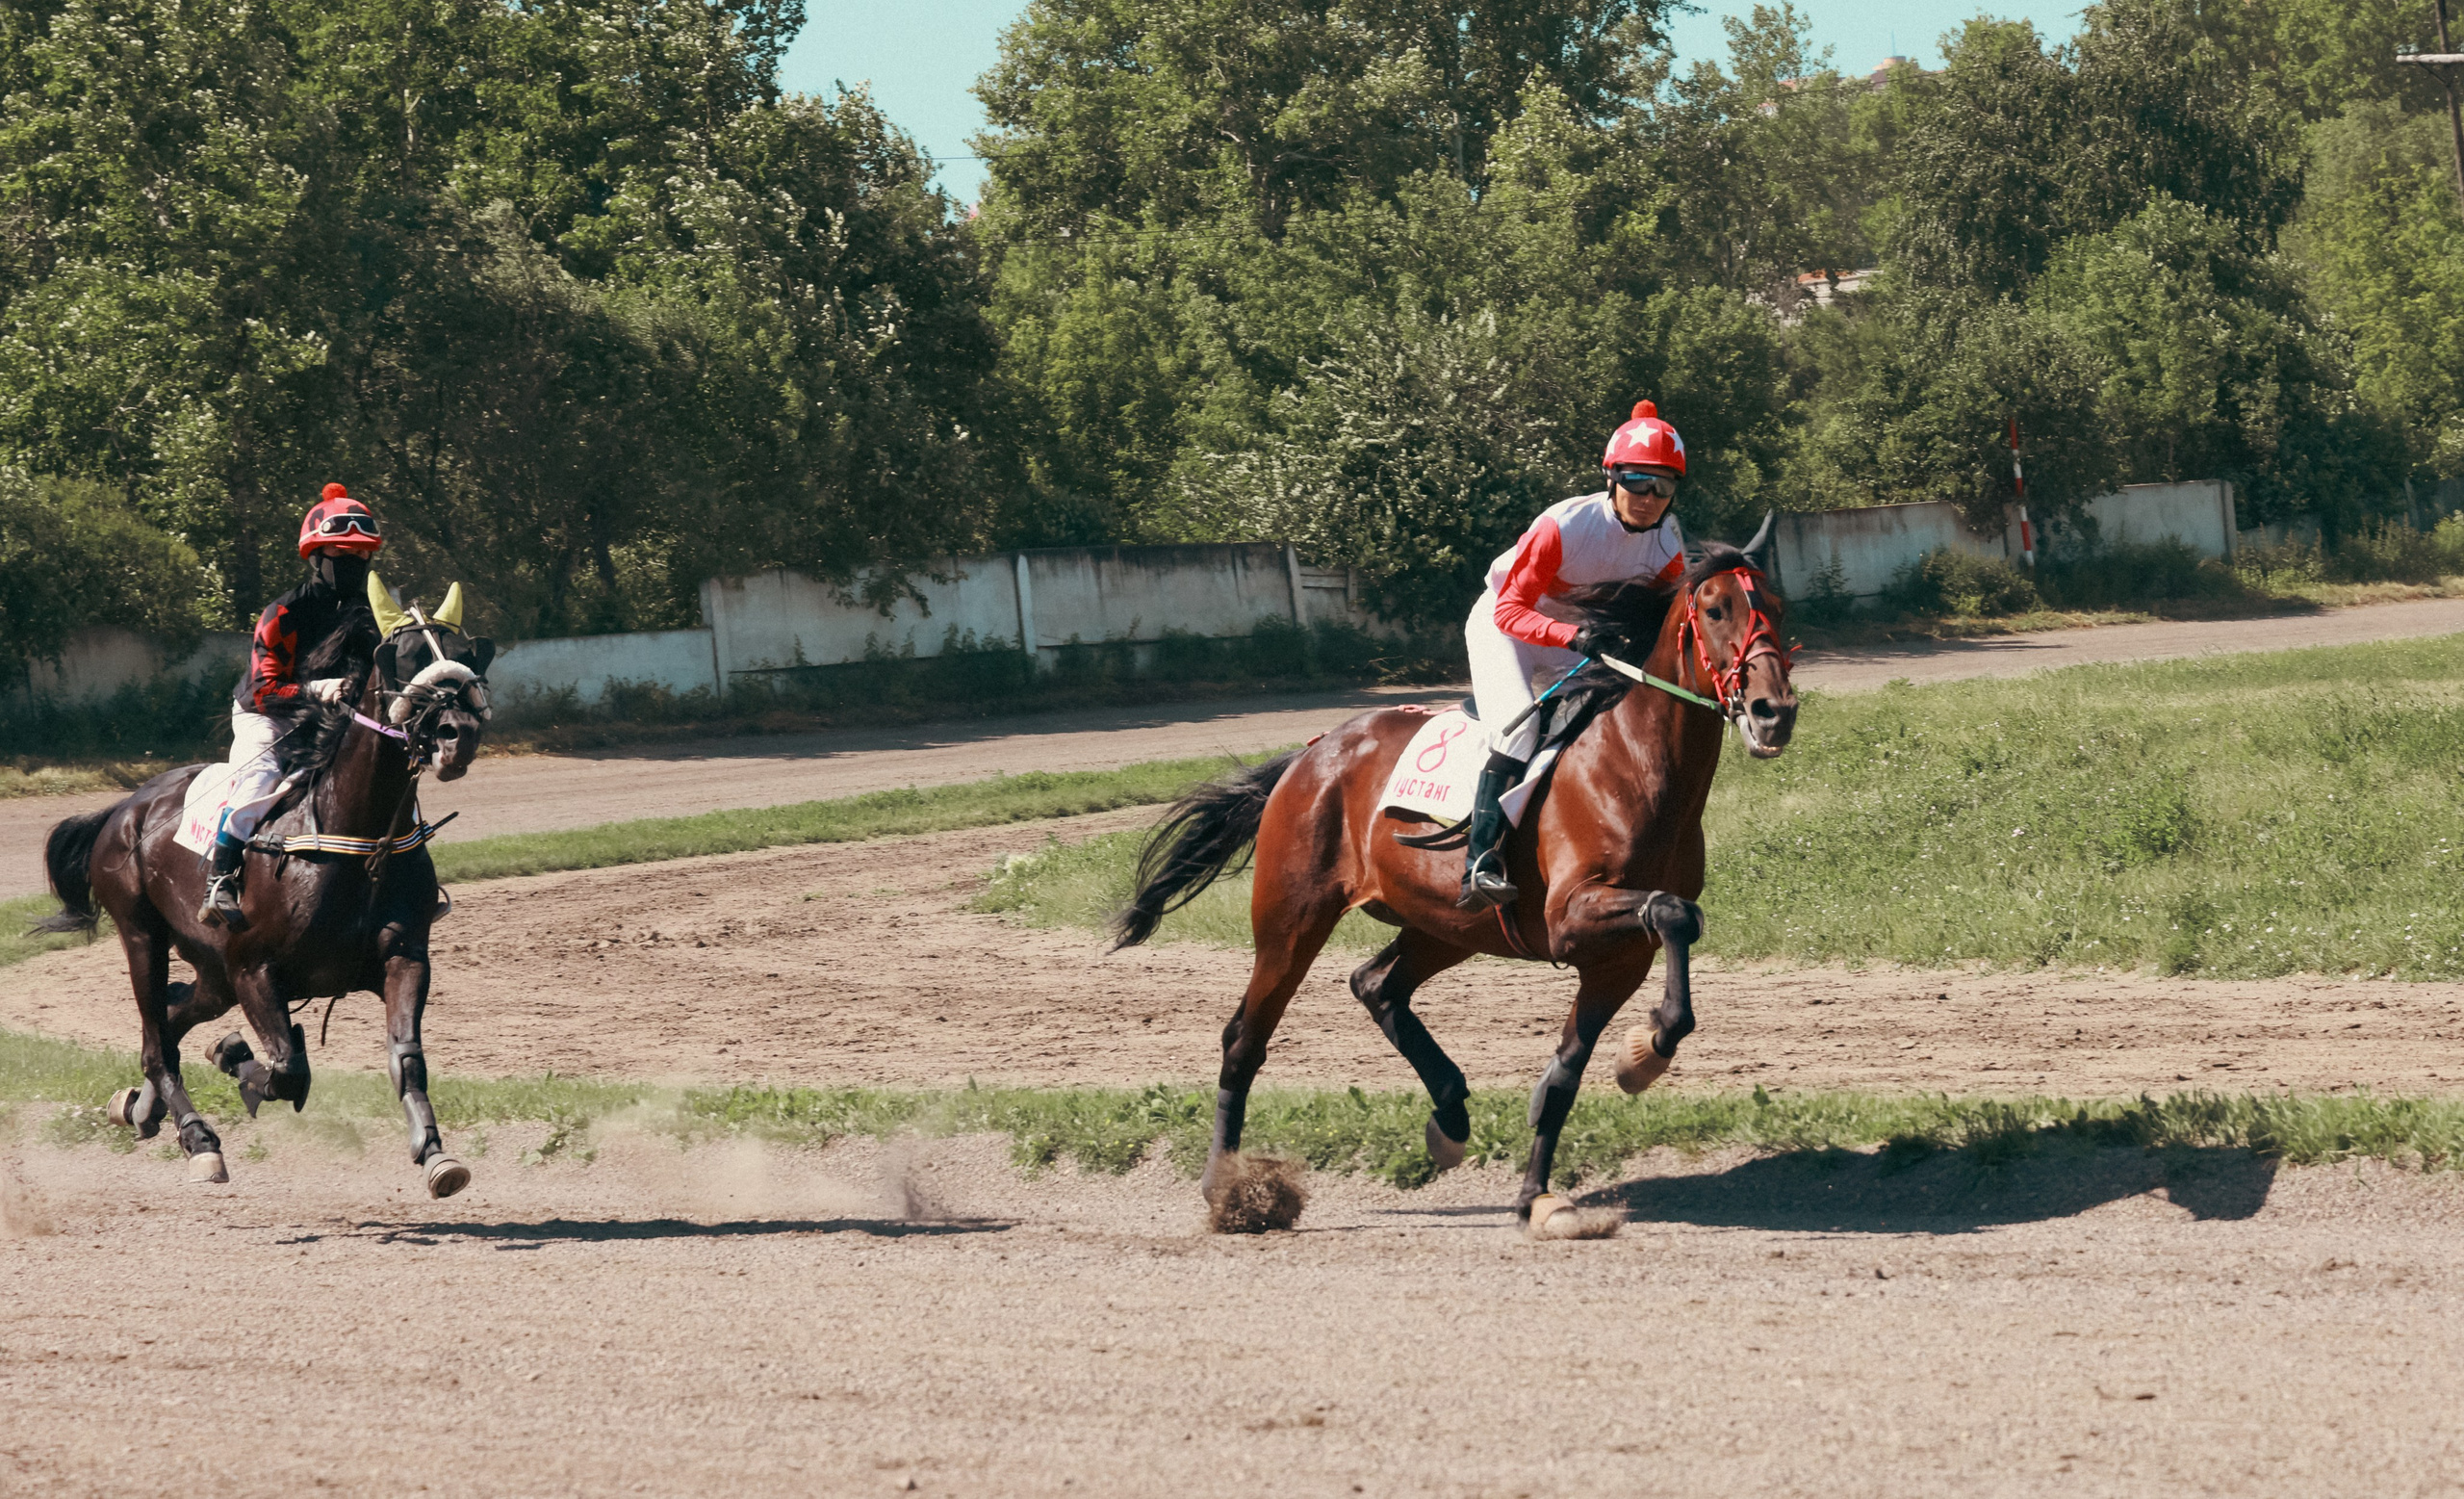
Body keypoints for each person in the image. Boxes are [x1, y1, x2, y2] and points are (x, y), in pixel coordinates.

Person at [1456, 400, 1688, 911]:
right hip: (1506, 628)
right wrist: (1572, 635)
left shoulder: (1667, 547)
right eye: (1637, 481)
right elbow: (1510, 611)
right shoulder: (1564, 525)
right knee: (1520, 729)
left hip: (1576, 640)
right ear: (1612, 477)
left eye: (1663, 486)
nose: (1649, 498)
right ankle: (1480, 862)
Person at [197, 483, 384, 926]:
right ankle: (221, 878)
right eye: (342, 553)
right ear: (316, 555)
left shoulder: (371, 612)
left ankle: (408, 875)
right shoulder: (283, 613)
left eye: (362, 554)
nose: (353, 562)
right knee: (260, 776)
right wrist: (316, 690)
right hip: (268, 715)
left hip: (332, 719)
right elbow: (265, 690)